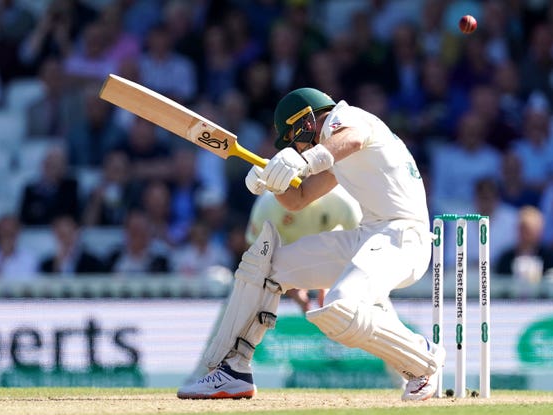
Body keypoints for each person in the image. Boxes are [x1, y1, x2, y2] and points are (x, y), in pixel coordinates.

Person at [177, 87, 443, 401]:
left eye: (293, 138)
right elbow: (299, 198)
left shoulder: (347, 119)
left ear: (305, 121)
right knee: (266, 268)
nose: (296, 146)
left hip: (403, 237)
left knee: (341, 307)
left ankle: (421, 360)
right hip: (369, 234)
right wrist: (270, 182)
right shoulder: (334, 154)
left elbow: (351, 140)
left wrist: (302, 163)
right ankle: (232, 370)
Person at [183, 184, 363, 385]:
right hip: (277, 265)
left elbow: (358, 256)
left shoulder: (342, 202)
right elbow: (255, 261)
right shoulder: (268, 204)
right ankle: (204, 374)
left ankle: (402, 373)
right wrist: (295, 290)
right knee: (237, 297)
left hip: (326, 261)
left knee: (372, 298)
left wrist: (329, 286)